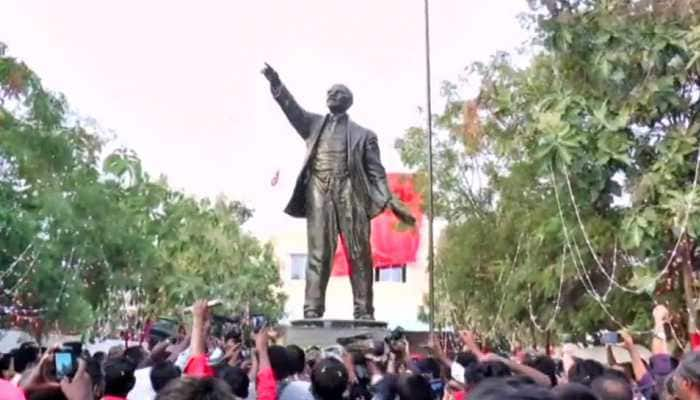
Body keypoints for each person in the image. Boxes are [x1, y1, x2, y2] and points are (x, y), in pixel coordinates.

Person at [261, 63, 415, 320]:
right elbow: (292, 111)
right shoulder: (313, 124)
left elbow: (376, 172)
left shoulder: (365, 135)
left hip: (350, 191)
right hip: (319, 189)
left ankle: (364, 310)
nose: (332, 95)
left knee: (359, 252)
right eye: (329, 92)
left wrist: (389, 199)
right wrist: (277, 85)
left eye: (338, 93)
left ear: (348, 101)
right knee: (318, 252)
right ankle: (312, 309)